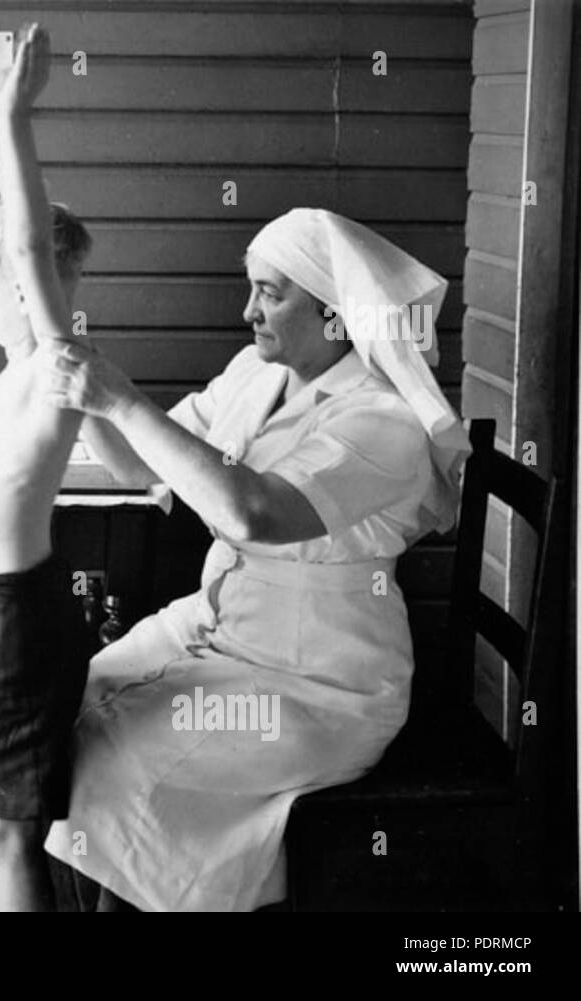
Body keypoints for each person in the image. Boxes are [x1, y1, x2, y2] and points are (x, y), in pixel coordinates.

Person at [42, 206, 472, 911]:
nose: (249, 311)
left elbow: (253, 512)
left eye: (272, 293)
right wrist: (76, 378)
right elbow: (132, 464)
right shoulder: (255, 373)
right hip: (222, 627)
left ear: (336, 313)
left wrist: (119, 397)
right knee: (68, 703)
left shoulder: (384, 421)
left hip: (320, 678)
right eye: (252, 288)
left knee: (122, 762)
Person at [0, 27, 96, 911]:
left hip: (15, 620)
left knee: (11, 834)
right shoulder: (14, 357)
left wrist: (13, 120)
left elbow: (25, 248)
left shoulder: (56, 360)